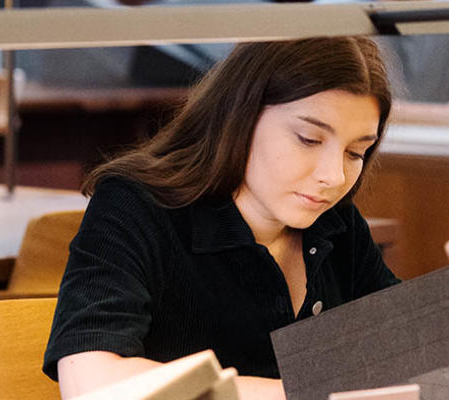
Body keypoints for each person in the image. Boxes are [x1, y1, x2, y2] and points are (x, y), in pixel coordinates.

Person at [42, 36, 400, 399]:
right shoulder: (134, 206)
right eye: (309, 139)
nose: (334, 176)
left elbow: (411, 355)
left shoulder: (335, 224)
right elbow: (92, 382)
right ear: (240, 116)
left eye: (356, 152)